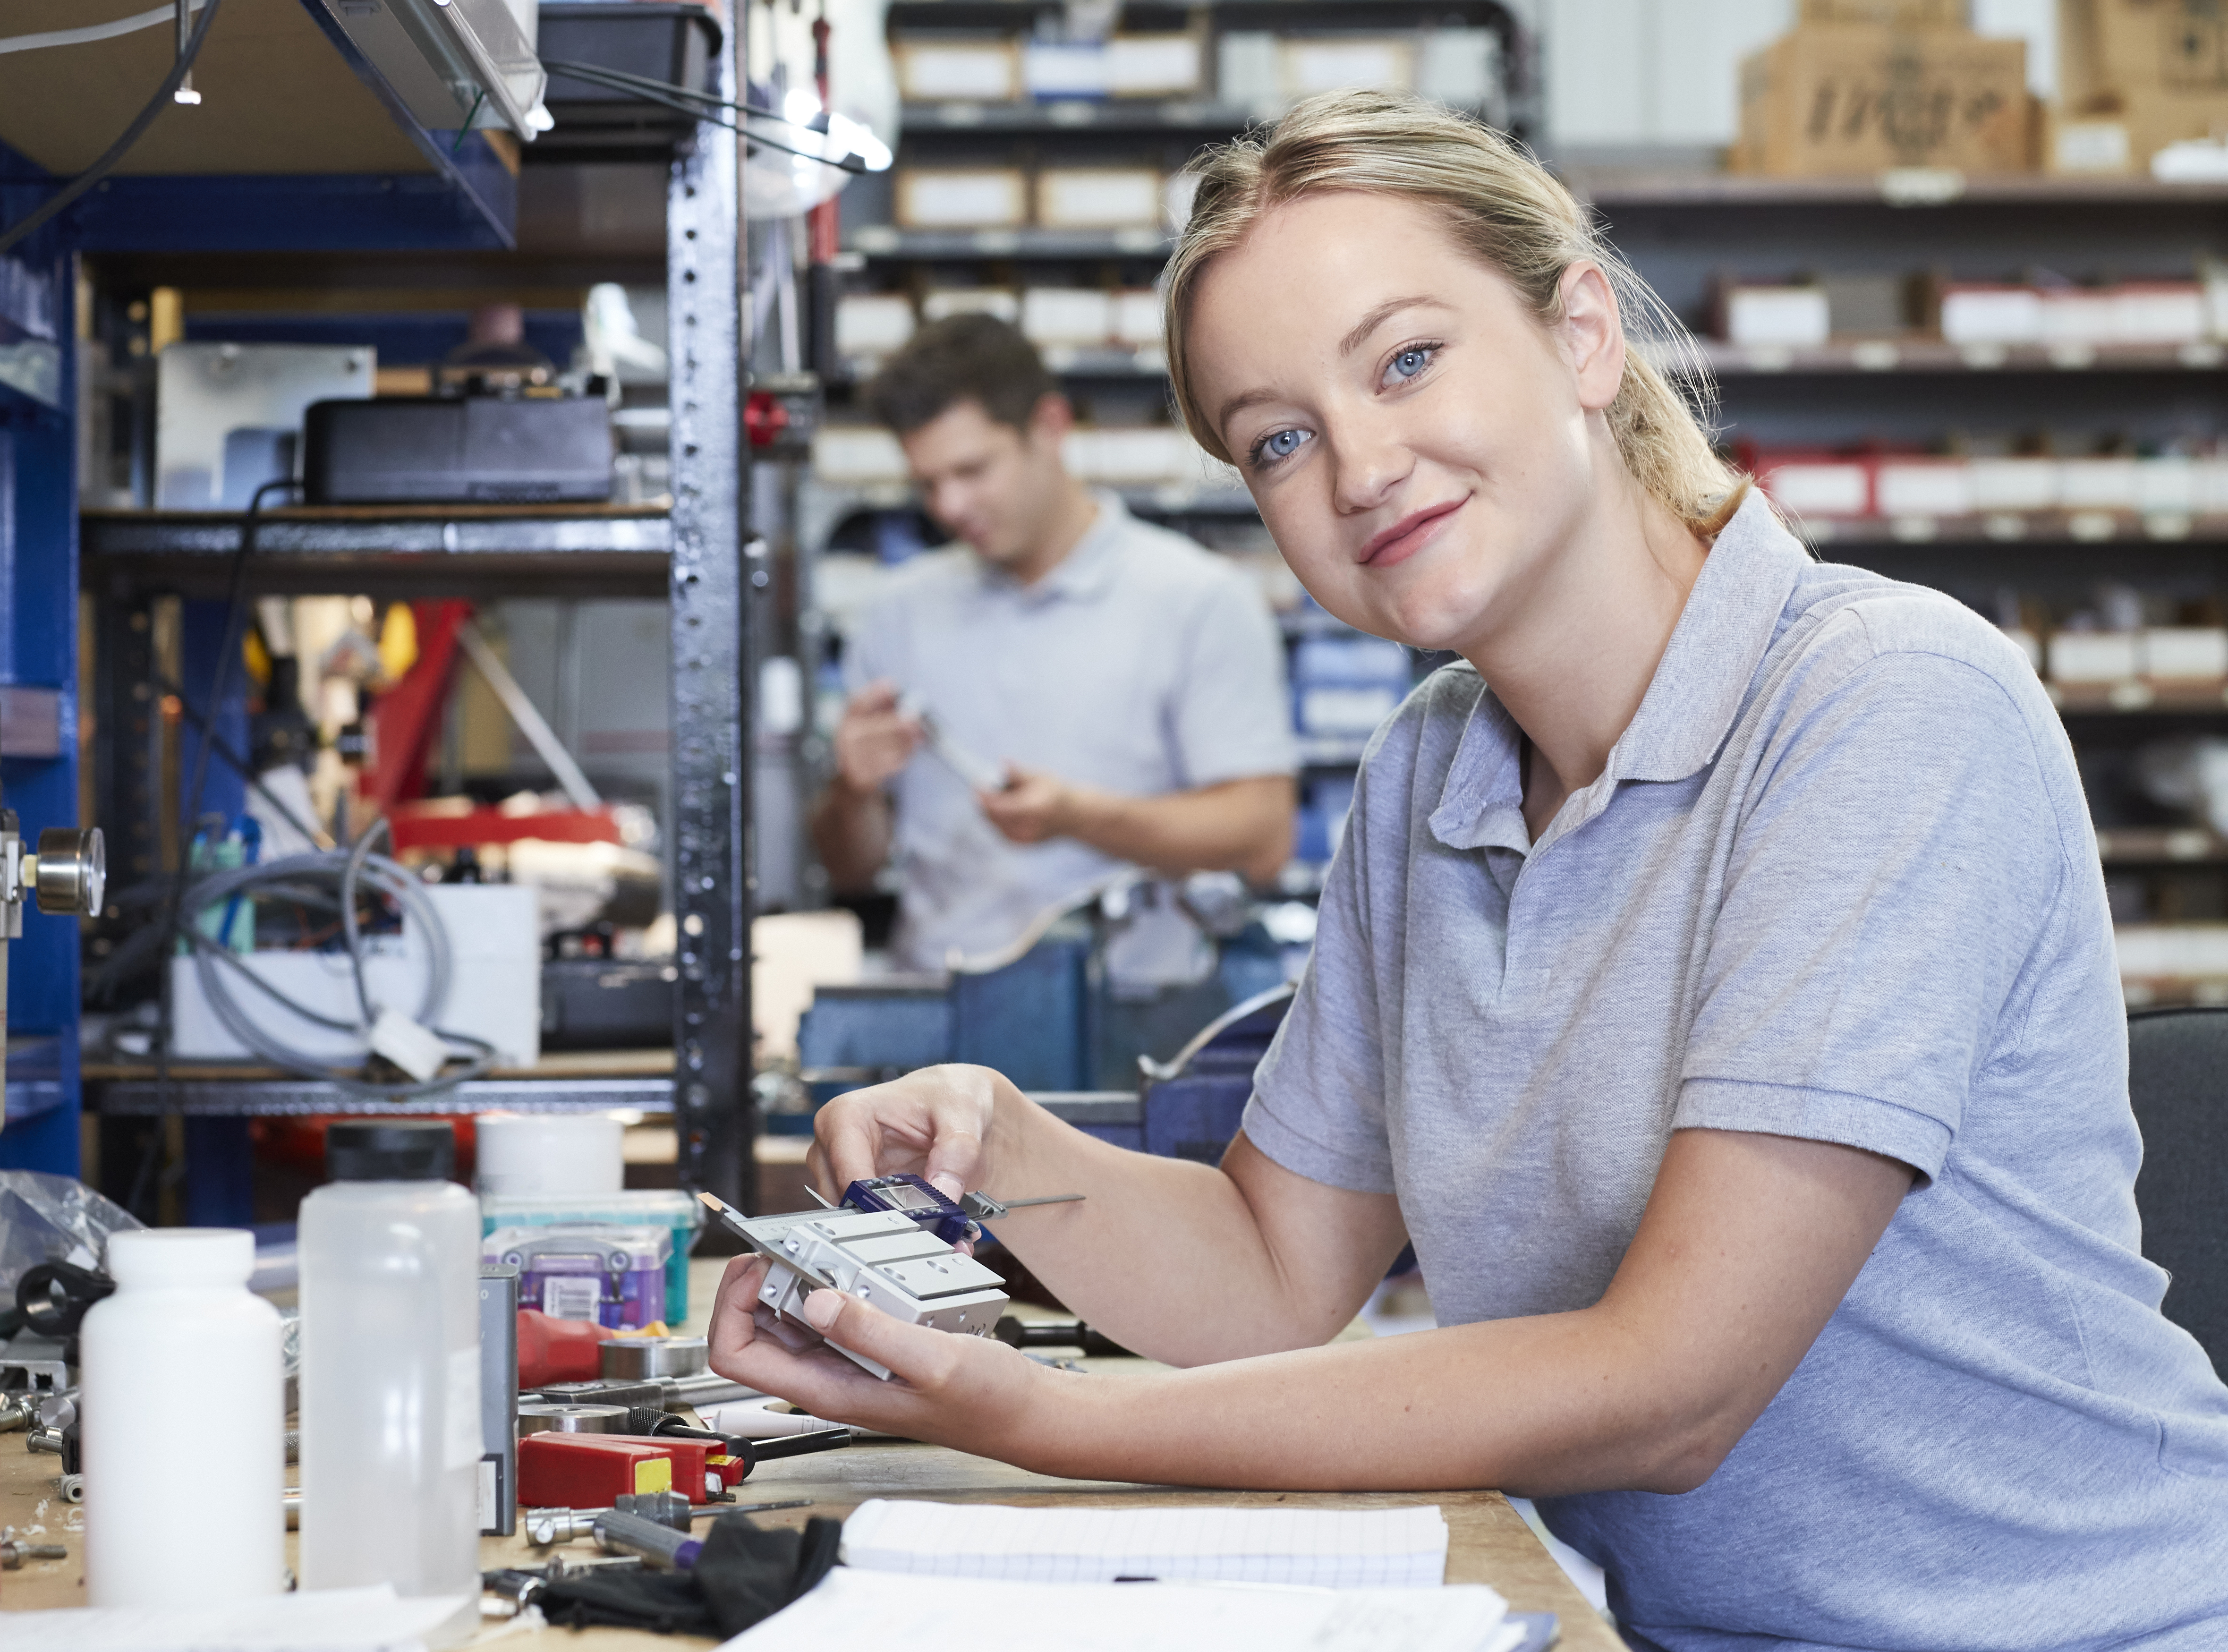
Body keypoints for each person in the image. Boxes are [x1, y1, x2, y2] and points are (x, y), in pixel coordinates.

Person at [718, 90, 2228, 1650]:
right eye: (1279, 439)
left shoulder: (1882, 703)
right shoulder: (1434, 766)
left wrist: (1040, 1414)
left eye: (1408, 358)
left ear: (1583, 334)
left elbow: (1670, 1386)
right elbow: (1269, 1267)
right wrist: (1004, 1149)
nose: (1360, 464)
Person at [810, 313, 1298, 988]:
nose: (951, 505)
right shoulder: (898, 613)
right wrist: (853, 789)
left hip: (1129, 1015)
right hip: (938, 1013)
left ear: (1049, 426)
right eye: (928, 483)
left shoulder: (1195, 600)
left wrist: (1079, 817)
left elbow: (1264, 838)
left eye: (973, 470)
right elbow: (850, 868)